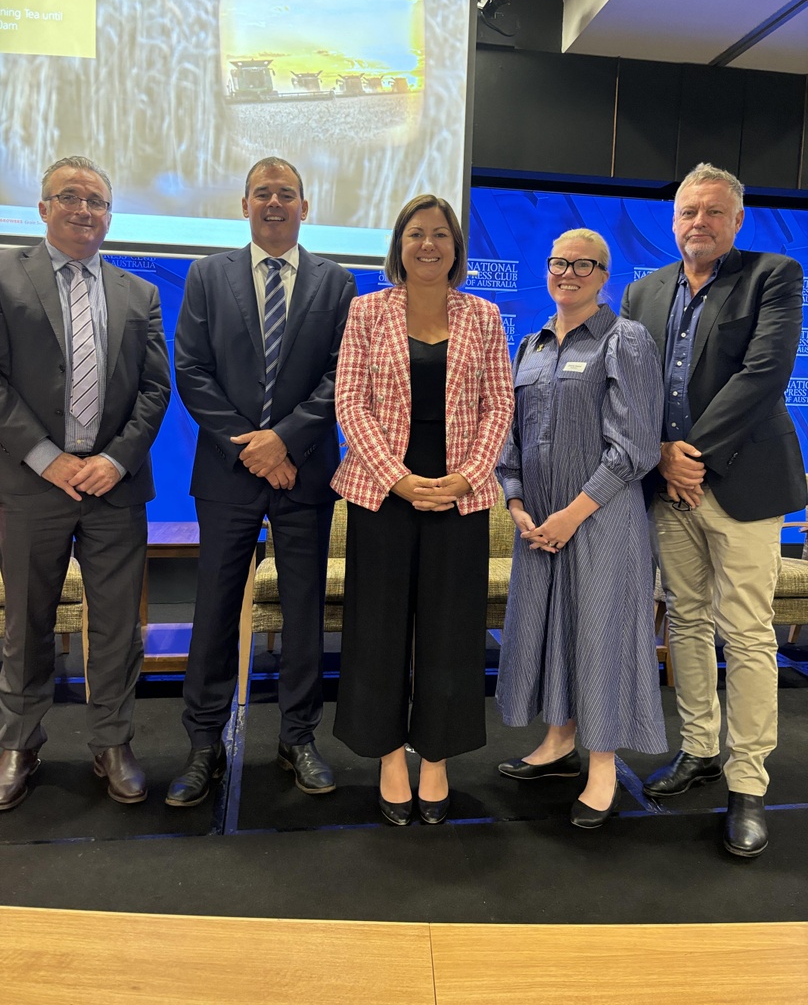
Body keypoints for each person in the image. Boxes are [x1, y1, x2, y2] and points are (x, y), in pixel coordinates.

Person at [621, 163, 805, 858]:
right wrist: (658, 455)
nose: (699, 222)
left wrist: (687, 452)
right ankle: (699, 749)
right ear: (673, 221)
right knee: (689, 619)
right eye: (688, 211)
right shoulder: (644, 290)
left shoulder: (774, 275)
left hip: (740, 486)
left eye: (713, 212)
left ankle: (748, 781)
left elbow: (764, 374)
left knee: (747, 632)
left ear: (737, 221)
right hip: (667, 487)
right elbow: (630, 385)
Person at [167, 157, 356, 806]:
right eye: (262, 193)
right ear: (244, 204)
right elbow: (190, 369)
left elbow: (341, 375)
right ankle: (203, 744)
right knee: (215, 610)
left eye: (286, 194)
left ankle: (298, 737)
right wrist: (253, 446)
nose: (274, 203)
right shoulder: (207, 276)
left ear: (306, 206)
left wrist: (285, 440)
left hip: (304, 472)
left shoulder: (337, 283)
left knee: (303, 611)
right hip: (227, 472)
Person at [331, 194, 514, 826]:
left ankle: (434, 758)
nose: (428, 244)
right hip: (384, 493)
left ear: (457, 246)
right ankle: (387, 757)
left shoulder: (485, 316)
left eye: (440, 234)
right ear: (399, 245)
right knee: (377, 631)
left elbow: (500, 406)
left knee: (451, 632)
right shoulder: (366, 311)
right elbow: (350, 403)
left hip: (460, 497)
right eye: (416, 234)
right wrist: (400, 479)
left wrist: (465, 476)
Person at [0, 155, 171, 810]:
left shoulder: (139, 293)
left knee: (117, 628)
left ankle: (113, 741)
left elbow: (155, 390)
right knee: (27, 622)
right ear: (42, 208)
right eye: (68, 197)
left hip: (114, 489)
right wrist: (48, 457)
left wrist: (116, 460)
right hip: (32, 483)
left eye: (96, 201)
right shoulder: (5, 276)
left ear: (109, 215)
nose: (83, 209)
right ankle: (20, 742)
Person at [496, 228, 666, 829]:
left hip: (601, 521)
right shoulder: (531, 346)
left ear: (603, 275)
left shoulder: (627, 341)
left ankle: (601, 765)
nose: (567, 272)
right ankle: (558, 740)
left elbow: (635, 447)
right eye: (557, 263)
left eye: (582, 264)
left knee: (600, 635)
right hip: (538, 524)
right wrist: (517, 507)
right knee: (550, 633)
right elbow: (510, 441)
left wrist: (571, 513)